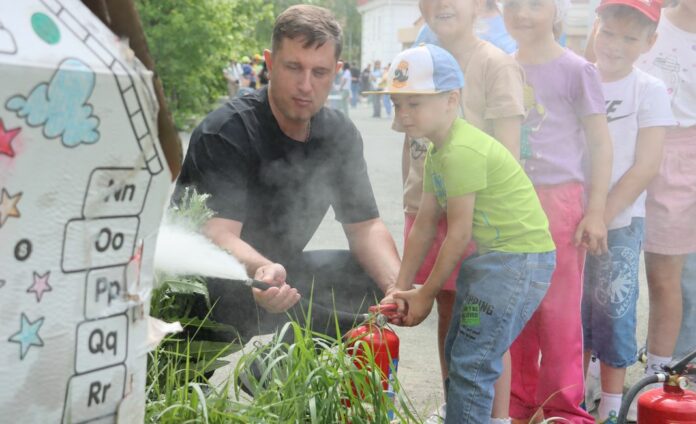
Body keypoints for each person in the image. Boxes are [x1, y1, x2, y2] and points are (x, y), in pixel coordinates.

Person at [171, 5, 401, 342]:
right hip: (201, 288)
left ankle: (273, 370)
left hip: (278, 279)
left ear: (337, 71)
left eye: (319, 72)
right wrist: (261, 269)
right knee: (173, 374)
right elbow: (216, 233)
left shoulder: (338, 135)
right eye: (294, 67)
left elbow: (365, 226)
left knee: (366, 278)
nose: (306, 85)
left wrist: (397, 287)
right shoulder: (226, 132)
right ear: (270, 62)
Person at [377, 44, 556, 424]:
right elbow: (426, 223)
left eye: (414, 103)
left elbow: (457, 236)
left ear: (451, 100)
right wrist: (400, 288)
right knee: (461, 351)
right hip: (493, 260)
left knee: (473, 361)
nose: (403, 113)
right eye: (397, 104)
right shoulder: (438, 151)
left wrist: (426, 294)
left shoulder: (461, 151)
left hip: (516, 261)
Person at [403, 1, 527, 422]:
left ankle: (497, 417)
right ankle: (455, 407)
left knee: (484, 321)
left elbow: (509, 153)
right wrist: (412, 197)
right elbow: (410, 142)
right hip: (427, 208)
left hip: (478, 219)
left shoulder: (496, 64)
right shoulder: (416, 60)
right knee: (446, 310)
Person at [502, 0, 614, 422]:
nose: (522, 13)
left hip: (560, 203)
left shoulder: (577, 70)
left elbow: (600, 143)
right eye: (513, 4)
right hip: (509, 201)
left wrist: (596, 210)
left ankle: (563, 409)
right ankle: (515, 404)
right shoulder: (501, 66)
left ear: (557, 10)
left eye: (535, 4)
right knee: (514, 304)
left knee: (558, 311)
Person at [579, 0, 674, 421]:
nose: (615, 45)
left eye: (630, 38)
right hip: (569, 217)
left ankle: (613, 407)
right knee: (571, 313)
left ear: (650, 42)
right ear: (595, 28)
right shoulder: (578, 77)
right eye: (609, 32)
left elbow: (646, 166)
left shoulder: (648, 89)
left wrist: (600, 216)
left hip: (619, 221)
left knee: (613, 311)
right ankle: (572, 398)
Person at [631, 0, 696, 417]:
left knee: (669, 277)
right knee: (610, 273)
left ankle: (664, 377)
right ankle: (601, 369)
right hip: (629, 144)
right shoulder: (647, 20)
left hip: (683, 157)